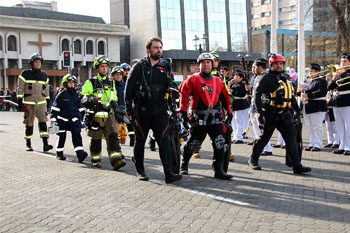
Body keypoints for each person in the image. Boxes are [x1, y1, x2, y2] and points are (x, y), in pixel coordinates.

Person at [125, 36, 182, 183]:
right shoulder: (139, 67)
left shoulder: (165, 66)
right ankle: (140, 170)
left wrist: (175, 108)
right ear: (148, 49)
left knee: (164, 141)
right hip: (142, 110)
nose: (159, 50)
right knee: (141, 140)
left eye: (160, 48)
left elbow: (172, 87)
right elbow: (128, 90)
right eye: (155, 47)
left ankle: (169, 173)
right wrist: (129, 113)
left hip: (160, 110)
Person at [248, 54, 311, 174]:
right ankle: (253, 159)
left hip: (285, 114)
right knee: (264, 138)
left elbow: (290, 97)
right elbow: (257, 95)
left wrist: (297, 110)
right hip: (270, 113)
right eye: (276, 64)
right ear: (271, 65)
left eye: (281, 64)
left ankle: (296, 165)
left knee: (291, 140)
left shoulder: (284, 79)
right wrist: (260, 112)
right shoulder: (265, 78)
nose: (279, 66)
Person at [179, 52, 233, 180]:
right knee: (194, 144)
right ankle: (184, 164)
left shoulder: (218, 81)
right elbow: (183, 95)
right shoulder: (193, 79)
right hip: (199, 118)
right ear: (199, 65)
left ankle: (218, 170)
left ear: (212, 64)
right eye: (203, 63)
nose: (206, 65)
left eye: (208, 62)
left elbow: (225, 98)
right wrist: (183, 113)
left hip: (215, 118)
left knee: (220, 142)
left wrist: (229, 113)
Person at [80, 56, 126, 169]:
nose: (105, 69)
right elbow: (83, 96)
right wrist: (91, 100)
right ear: (97, 68)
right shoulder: (91, 82)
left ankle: (116, 161)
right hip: (96, 116)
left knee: (113, 137)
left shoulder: (111, 82)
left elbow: (114, 95)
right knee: (96, 140)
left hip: (110, 116)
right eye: (102, 67)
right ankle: (96, 160)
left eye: (106, 67)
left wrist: (115, 105)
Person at [17, 53, 53, 152]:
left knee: (43, 122)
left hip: (41, 103)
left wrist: (48, 100)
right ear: (31, 63)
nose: (38, 64)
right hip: (29, 103)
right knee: (29, 123)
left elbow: (46, 90)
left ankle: (45, 144)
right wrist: (19, 100)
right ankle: (28, 144)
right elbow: (20, 88)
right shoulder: (25, 74)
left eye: (39, 62)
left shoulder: (44, 75)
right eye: (36, 62)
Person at [50, 74, 88, 161]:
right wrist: (53, 118)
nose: (72, 84)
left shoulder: (77, 95)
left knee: (76, 135)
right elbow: (55, 107)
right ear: (65, 84)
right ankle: (59, 153)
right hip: (62, 119)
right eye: (70, 83)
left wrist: (82, 118)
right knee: (61, 136)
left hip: (74, 119)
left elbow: (81, 107)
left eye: (73, 83)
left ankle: (80, 154)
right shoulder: (61, 95)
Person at [297, 63, 327, 152]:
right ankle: (312, 143)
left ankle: (317, 144)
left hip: (317, 106)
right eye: (310, 71)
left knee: (316, 126)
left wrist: (308, 95)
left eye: (312, 71)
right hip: (308, 106)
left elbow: (321, 92)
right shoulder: (310, 81)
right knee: (310, 126)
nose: (310, 73)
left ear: (318, 72)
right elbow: (305, 92)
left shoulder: (321, 80)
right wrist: (299, 91)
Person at [249, 59, 273, 155]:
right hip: (254, 106)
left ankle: (267, 148)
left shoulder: (265, 77)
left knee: (261, 129)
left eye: (254, 67)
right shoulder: (256, 78)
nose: (253, 69)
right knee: (256, 129)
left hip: (261, 107)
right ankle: (260, 147)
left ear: (260, 67)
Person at [327, 53, 350, 155]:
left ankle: (348, 146)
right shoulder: (339, 74)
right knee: (339, 126)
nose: (342, 63)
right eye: (341, 61)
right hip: (337, 102)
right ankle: (342, 145)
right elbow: (330, 87)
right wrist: (335, 76)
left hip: (347, 101)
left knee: (348, 126)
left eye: (345, 61)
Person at [229, 70, 249, 144]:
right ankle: (235, 136)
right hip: (234, 104)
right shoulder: (234, 84)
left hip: (240, 104)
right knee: (234, 121)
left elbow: (242, 94)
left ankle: (239, 137)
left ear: (241, 78)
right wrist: (231, 84)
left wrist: (233, 92)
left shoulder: (242, 85)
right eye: (235, 76)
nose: (235, 77)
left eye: (237, 76)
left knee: (239, 121)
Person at [120, 63, 135, 146]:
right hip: (119, 104)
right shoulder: (118, 80)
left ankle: (132, 139)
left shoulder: (131, 80)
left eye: (128, 70)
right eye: (125, 70)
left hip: (128, 104)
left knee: (130, 122)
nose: (127, 72)